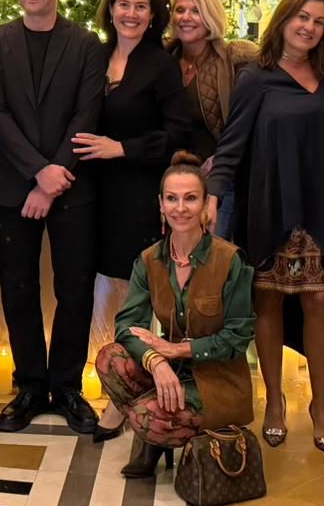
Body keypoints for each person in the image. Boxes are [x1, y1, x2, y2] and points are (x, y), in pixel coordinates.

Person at [208, 0, 324, 456]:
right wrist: (212, 195)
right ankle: (273, 401)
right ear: (284, 19)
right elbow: (232, 144)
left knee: (321, 305)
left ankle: (321, 406)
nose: (308, 26)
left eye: (318, 20)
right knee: (267, 304)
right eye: (301, 17)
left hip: (322, 206)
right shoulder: (256, 77)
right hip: (269, 205)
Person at [0, 0, 106, 433]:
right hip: (13, 187)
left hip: (72, 186)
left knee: (75, 290)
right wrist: (37, 172)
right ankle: (31, 384)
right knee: (19, 288)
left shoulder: (86, 44)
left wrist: (54, 177)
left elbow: (85, 114)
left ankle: (67, 385)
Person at [72, 0, 190, 440]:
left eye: (141, 7)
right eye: (124, 4)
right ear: (111, 8)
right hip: (89, 192)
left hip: (136, 192)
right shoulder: (94, 55)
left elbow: (177, 133)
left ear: (152, 14)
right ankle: (106, 378)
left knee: (131, 292)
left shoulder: (159, 65)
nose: (132, 14)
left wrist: (120, 148)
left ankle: (125, 396)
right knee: (99, 290)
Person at [97, 151, 255, 479]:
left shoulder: (231, 260)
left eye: (190, 199)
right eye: (172, 199)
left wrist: (178, 350)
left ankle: (154, 436)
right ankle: (156, 431)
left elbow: (238, 338)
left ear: (205, 204)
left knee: (145, 416)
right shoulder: (149, 260)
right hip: (170, 371)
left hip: (219, 382)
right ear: (160, 204)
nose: (180, 208)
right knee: (109, 359)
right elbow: (127, 326)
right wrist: (157, 362)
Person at [165, 0, 257, 238]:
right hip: (174, 179)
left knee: (213, 261)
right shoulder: (164, 60)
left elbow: (247, 124)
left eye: (196, 11)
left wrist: (218, 163)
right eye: (180, 10)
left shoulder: (234, 61)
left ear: (211, 16)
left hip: (221, 180)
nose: (186, 18)